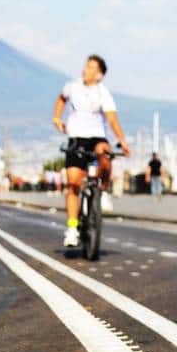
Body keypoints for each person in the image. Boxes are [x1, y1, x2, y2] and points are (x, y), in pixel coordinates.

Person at [52, 54, 130, 247]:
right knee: (73, 184)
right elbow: (61, 99)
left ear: (100, 75)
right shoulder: (72, 86)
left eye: (92, 67)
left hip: (96, 137)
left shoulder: (103, 93)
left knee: (105, 152)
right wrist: (57, 118)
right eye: (86, 66)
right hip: (76, 138)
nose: (86, 69)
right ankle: (72, 228)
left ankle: (102, 192)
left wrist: (122, 140)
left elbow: (112, 119)